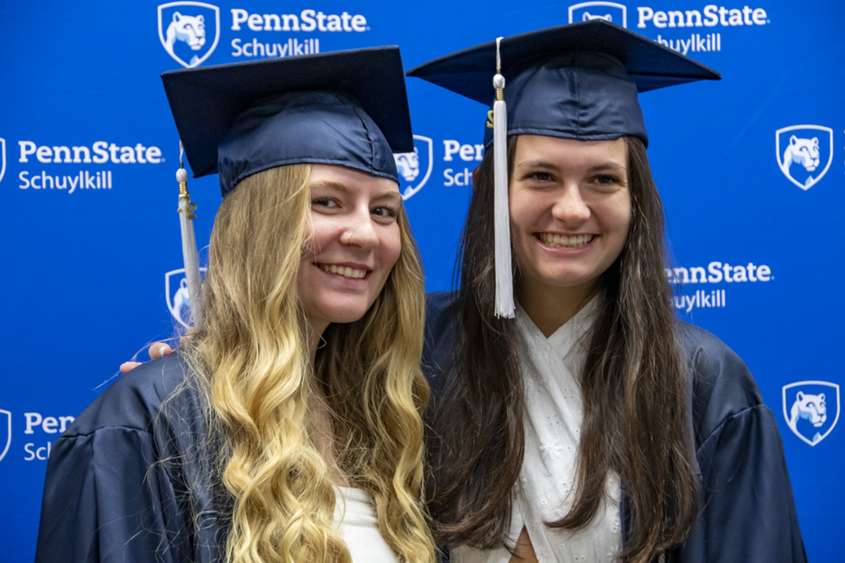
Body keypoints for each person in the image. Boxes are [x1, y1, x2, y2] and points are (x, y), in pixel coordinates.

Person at [407, 21, 807, 563]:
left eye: (603, 179)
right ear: (488, 190)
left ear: (636, 198)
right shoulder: (417, 353)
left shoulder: (706, 384)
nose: (572, 209)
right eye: (541, 176)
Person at [35, 47, 436, 563]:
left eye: (384, 210)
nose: (365, 233)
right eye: (327, 201)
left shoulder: (384, 421)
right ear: (258, 223)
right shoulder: (146, 425)